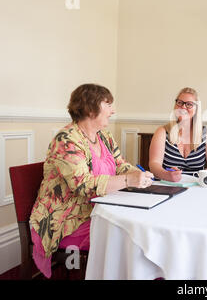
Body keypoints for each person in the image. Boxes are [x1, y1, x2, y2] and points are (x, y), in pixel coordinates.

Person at [29, 83, 153, 278]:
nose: (113, 111)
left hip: (98, 208)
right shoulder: (66, 139)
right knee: (126, 238)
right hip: (66, 221)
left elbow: (120, 164)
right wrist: (128, 180)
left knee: (139, 230)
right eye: (108, 104)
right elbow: (83, 185)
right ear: (90, 108)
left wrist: (140, 175)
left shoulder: (104, 136)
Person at [149, 87, 207, 182]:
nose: (183, 107)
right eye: (179, 102)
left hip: (197, 187)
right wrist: (167, 175)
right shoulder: (162, 132)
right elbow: (154, 164)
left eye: (189, 104)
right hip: (168, 185)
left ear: (197, 109)